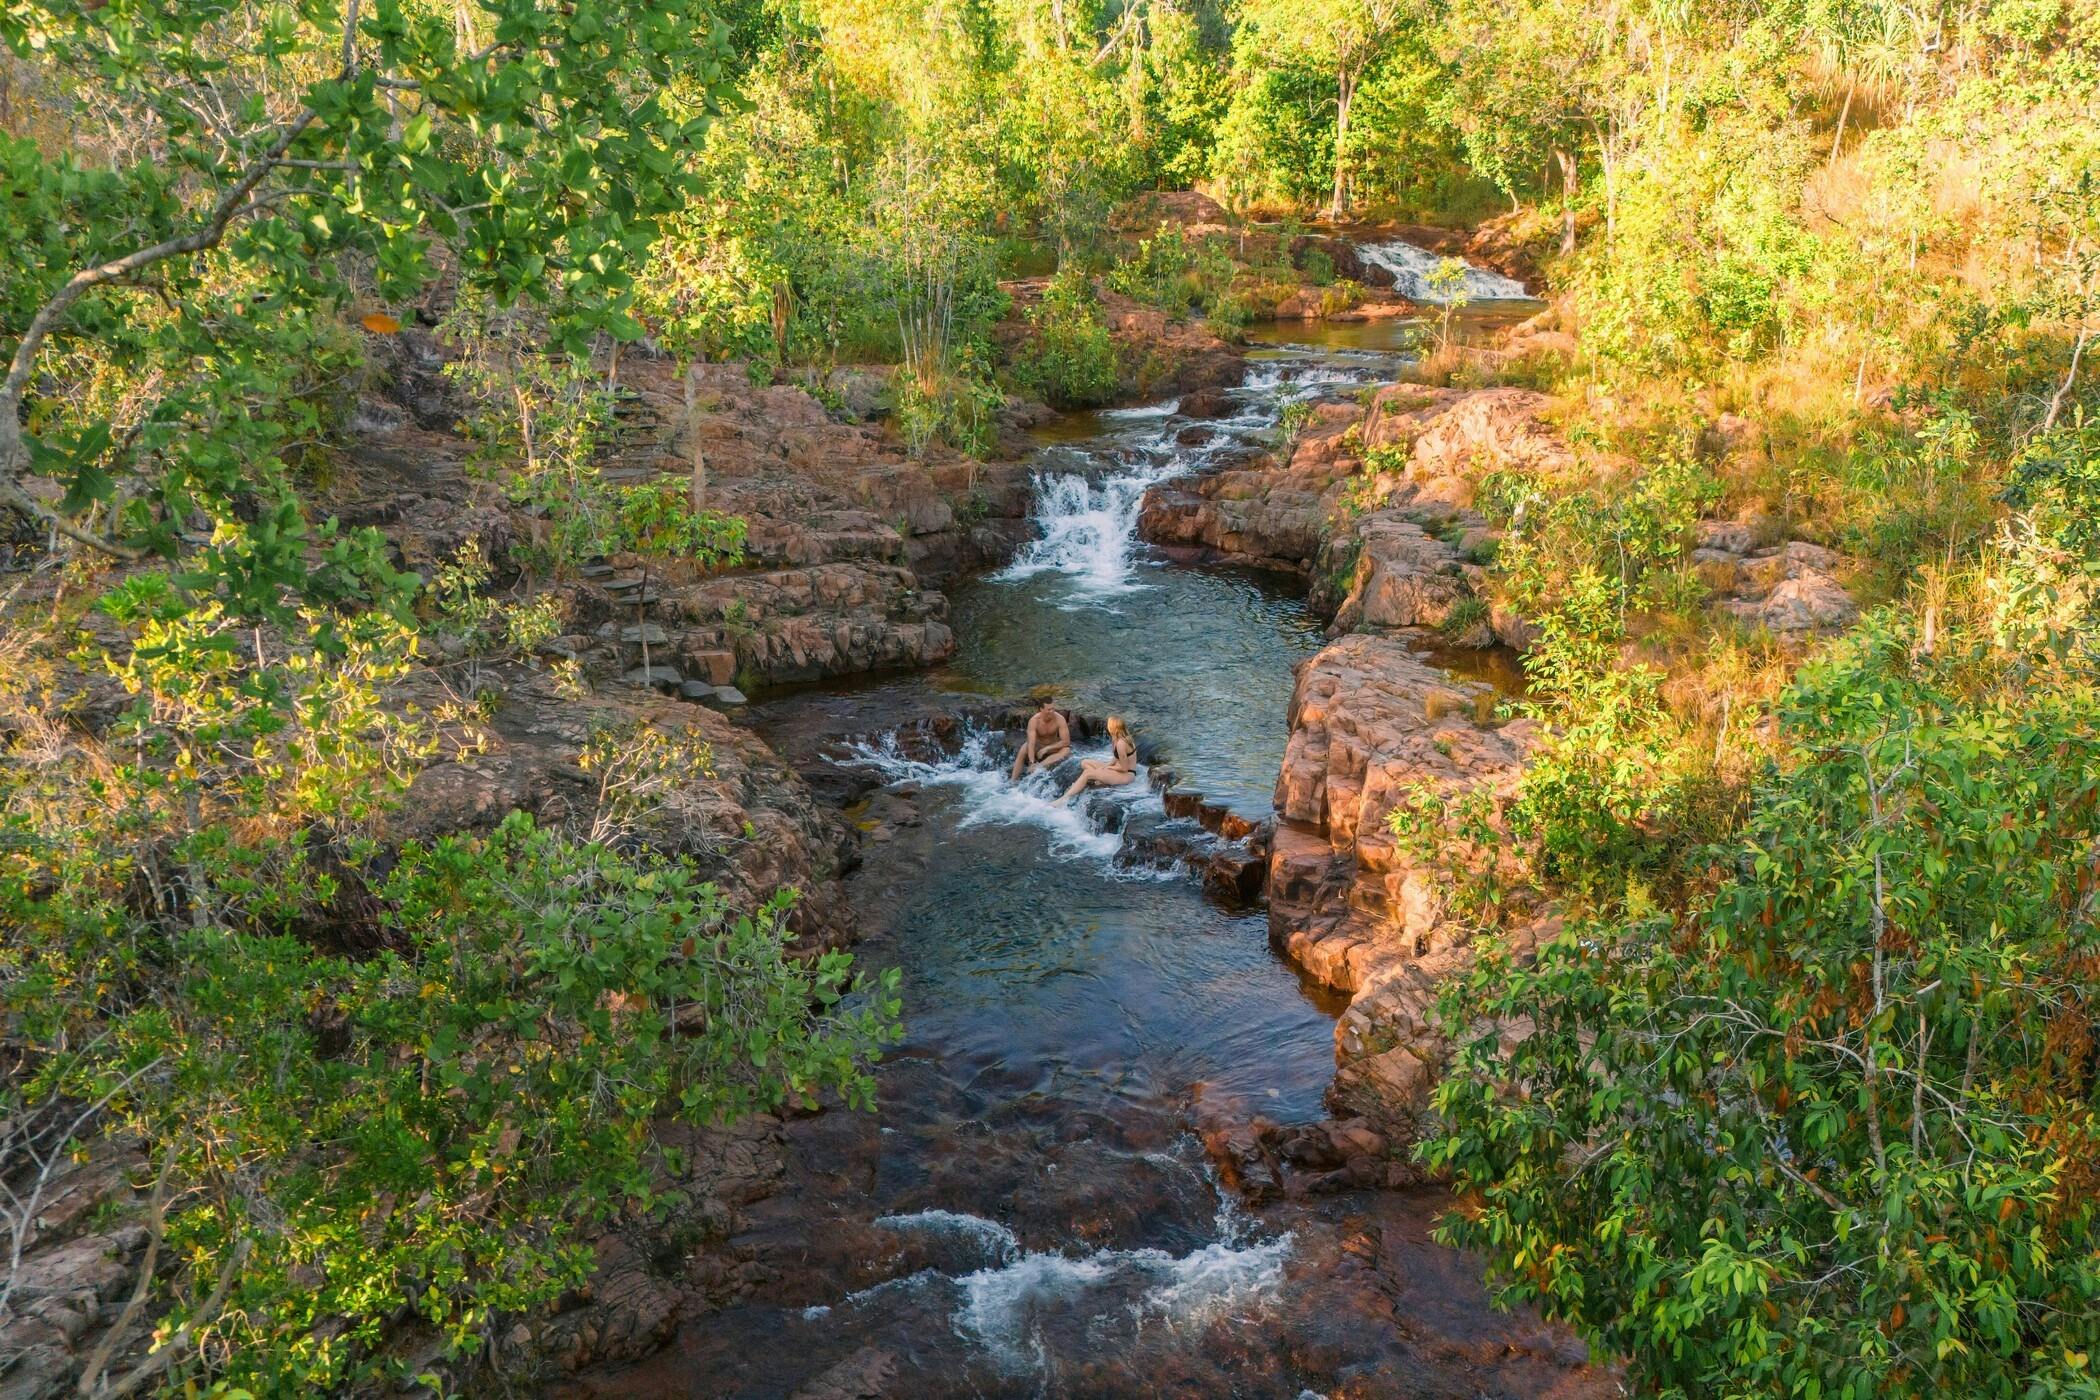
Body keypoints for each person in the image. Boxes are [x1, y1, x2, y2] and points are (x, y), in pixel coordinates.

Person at [1059, 715, 1137, 803]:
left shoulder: (1121, 743)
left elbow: (1124, 768)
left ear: (1113, 728)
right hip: (1117, 769)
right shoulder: (1116, 739)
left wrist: (1109, 768)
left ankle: (1064, 798)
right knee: (1084, 762)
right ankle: (1100, 779)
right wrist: (1105, 766)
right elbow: (1115, 758)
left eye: (1109, 725)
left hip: (1127, 775)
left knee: (1087, 774)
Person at [1010, 696, 1072, 780]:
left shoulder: (1060, 719)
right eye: (1049, 710)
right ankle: (1013, 780)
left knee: (1066, 750)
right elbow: (1031, 743)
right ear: (1041, 709)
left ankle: (1039, 766)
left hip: (1052, 746)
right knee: (1023, 749)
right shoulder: (1034, 721)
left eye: (1053, 709)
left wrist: (1047, 748)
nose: (1052, 712)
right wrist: (1031, 762)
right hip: (1038, 746)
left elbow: (1066, 742)